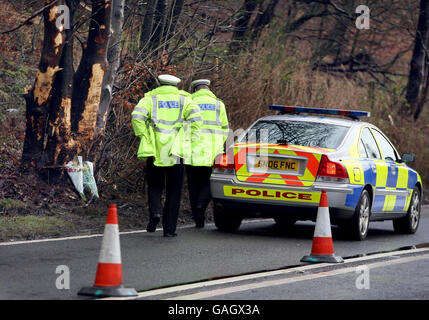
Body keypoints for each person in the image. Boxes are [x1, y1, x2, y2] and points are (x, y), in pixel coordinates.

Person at [131, 74, 202, 237]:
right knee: (174, 191)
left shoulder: (150, 99)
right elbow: (197, 122)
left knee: (155, 186)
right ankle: (169, 229)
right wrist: (188, 139)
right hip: (176, 152)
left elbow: (136, 116)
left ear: (159, 83)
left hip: (155, 150)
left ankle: (155, 213)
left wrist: (144, 136)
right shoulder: (186, 100)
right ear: (176, 85)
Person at [186, 79, 229, 228]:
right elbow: (225, 129)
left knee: (193, 184)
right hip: (213, 152)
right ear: (208, 89)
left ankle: (198, 219)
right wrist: (217, 143)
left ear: (195, 89)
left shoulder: (189, 101)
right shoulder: (219, 104)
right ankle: (201, 205)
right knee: (208, 182)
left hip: (192, 150)